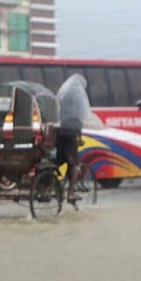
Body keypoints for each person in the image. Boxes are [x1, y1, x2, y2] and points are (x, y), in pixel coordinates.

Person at [55, 74, 90, 203]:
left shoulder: (63, 95)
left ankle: (49, 184)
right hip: (70, 134)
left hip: (59, 132)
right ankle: (70, 193)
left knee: (57, 161)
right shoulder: (78, 99)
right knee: (74, 164)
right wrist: (79, 137)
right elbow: (79, 120)